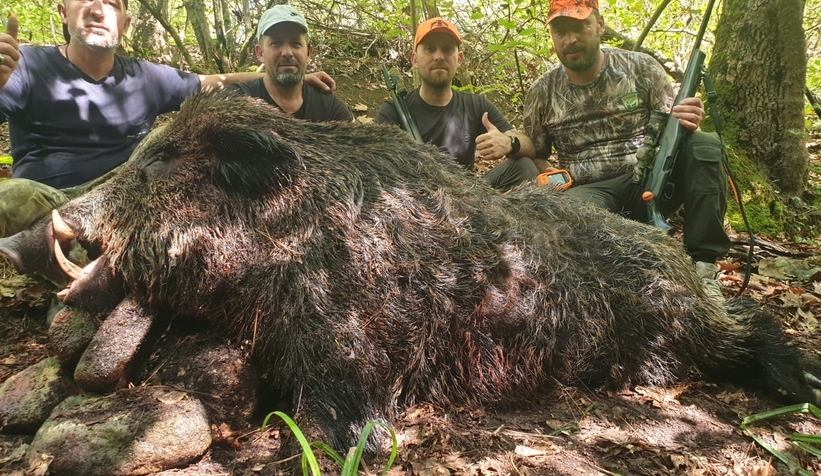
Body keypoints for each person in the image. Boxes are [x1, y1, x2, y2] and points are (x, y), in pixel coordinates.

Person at [0, 0, 335, 237]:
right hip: (51, 204)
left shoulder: (144, 77)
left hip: (126, 204)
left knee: (174, 146)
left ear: (126, 24)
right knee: (11, 197)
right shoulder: (23, 65)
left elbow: (213, 82)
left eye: (113, 4)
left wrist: (286, 75)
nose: (99, 10)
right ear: (63, 11)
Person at [523, 0, 729, 300]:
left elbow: (674, 131)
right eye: (560, 32)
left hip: (651, 181)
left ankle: (704, 268)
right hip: (589, 192)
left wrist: (689, 121)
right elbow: (537, 154)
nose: (570, 40)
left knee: (705, 144)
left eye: (580, 28)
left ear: (600, 26)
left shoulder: (641, 67)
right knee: (573, 221)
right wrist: (552, 179)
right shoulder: (542, 91)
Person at [375, 17, 539, 192]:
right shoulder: (393, 112)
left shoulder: (476, 105)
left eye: (447, 49)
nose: (439, 57)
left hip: (466, 196)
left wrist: (510, 142)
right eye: (430, 49)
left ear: (459, 59)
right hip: (414, 199)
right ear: (414, 59)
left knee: (525, 167)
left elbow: (529, 147)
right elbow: (376, 173)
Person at [226, 5, 351, 122]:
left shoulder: (331, 110)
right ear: (260, 53)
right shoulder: (237, 100)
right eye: (276, 43)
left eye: (296, 43)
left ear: (309, 53)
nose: (287, 53)